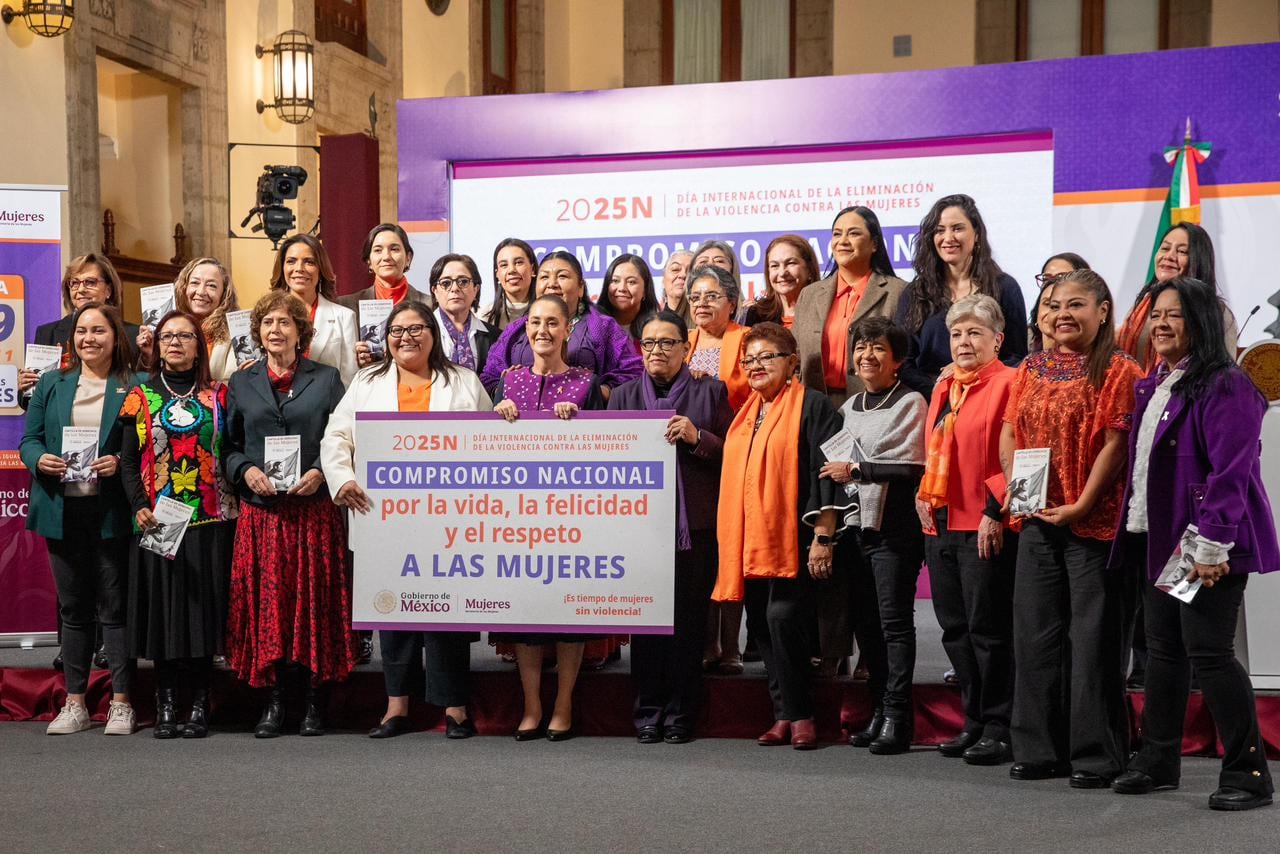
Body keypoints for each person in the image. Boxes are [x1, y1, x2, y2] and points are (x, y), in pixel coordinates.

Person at [1109, 277, 1276, 811]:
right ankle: (1159, 761)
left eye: (1174, 315)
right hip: (1163, 541)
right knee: (1164, 651)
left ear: (1199, 322)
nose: (1160, 324)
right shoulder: (1157, 382)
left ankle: (1249, 773)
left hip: (1205, 544)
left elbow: (1231, 473)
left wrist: (1212, 544)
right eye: (1156, 314)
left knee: (1209, 651)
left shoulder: (1226, 384)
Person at [321, 300, 491, 739]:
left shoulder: (464, 382)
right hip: (383, 518)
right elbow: (337, 434)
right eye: (397, 330)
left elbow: (492, 443)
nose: (406, 337)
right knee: (393, 614)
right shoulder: (366, 381)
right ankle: (396, 708)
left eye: (416, 329)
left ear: (433, 335)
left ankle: (454, 708)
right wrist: (341, 480)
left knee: (446, 616)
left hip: (449, 521)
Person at [1001, 269, 1143, 787]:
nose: (1064, 314)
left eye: (1077, 304)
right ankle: (1038, 749)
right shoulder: (1032, 366)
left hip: (1094, 525)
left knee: (1093, 643)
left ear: (1103, 311)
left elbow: (1115, 445)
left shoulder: (1120, 368)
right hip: (1038, 519)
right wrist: (1024, 498)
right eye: (1055, 304)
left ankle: (1097, 756)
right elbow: (1011, 431)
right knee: (1034, 639)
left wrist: (1081, 506)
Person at [223, 291, 354, 738]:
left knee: (312, 606)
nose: (274, 330)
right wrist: (246, 470)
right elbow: (228, 448)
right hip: (263, 515)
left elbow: (342, 438)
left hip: (313, 511)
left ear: (302, 331)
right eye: (267, 323)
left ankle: (315, 703)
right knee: (270, 609)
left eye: (284, 322)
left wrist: (321, 472)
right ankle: (274, 704)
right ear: (257, 332)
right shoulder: (241, 383)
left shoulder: (328, 378)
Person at [713, 323, 848, 750]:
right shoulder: (745, 416)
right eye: (748, 359)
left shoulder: (816, 406)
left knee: (783, 619)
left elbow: (830, 475)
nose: (755, 366)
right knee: (762, 625)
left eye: (765, 357)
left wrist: (823, 535)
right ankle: (783, 715)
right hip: (748, 540)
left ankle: (802, 713)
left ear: (791, 362)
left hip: (794, 539)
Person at [609, 310, 734, 744]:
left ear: (687, 348)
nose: (657, 351)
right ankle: (647, 712)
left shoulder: (711, 392)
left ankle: (681, 714)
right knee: (646, 627)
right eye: (649, 343)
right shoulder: (622, 396)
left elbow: (733, 456)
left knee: (687, 626)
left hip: (694, 530)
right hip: (641, 531)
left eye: (667, 343)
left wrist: (698, 437)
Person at [21, 304, 145, 735]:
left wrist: (118, 461)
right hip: (61, 508)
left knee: (114, 606)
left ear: (116, 337)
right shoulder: (52, 383)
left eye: (98, 330)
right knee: (74, 607)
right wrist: (40, 461)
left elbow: (147, 449)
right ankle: (74, 701)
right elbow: (28, 440)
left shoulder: (135, 386)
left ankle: (122, 703)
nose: (88, 338)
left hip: (111, 509)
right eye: (81, 331)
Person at [118, 310, 239, 738]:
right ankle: (166, 702)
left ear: (198, 345)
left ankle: (200, 704)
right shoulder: (139, 395)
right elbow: (127, 462)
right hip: (157, 522)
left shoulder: (220, 395)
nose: (175, 342)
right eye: (168, 336)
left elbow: (234, 450)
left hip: (210, 520)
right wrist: (137, 505)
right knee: (164, 613)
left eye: (185, 336)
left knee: (202, 613)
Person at [491, 295, 606, 740]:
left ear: (567, 330)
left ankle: (563, 704)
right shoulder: (508, 381)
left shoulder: (586, 382)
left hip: (572, 517)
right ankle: (532, 705)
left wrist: (580, 425)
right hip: (517, 519)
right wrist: (495, 417)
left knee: (568, 614)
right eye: (535, 322)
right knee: (527, 615)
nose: (542, 330)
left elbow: (607, 450)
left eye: (552, 323)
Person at [915, 294, 1018, 765]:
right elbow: (935, 450)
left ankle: (1000, 724)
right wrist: (923, 492)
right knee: (954, 629)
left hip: (983, 521)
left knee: (988, 630)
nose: (964, 341)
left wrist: (995, 511)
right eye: (957, 333)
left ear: (997, 338)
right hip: (940, 521)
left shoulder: (1010, 383)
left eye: (975, 332)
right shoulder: (944, 387)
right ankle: (973, 720)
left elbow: (1016, 457)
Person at [820, 317, 927, 754]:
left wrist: (858, 470)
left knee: (895, 625)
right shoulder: (850, 407)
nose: (867, 355)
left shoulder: (911, 402)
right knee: (868, 627)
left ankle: (900, 716)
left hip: (895, 531)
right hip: (856, 529)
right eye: (861, 346)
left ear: (897, 359)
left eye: (878, 347)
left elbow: (914, 467)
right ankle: (880, 709)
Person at [896, 194, 1027, 397]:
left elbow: (1016, 356)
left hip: (987, 396)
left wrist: (968, 371)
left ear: (976, 234)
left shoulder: (1004, 287)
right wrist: (942, 390)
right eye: (940, 230)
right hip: (930, 399)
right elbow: (903, 361)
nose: (948, 238)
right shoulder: (915, 293)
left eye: (957, 228)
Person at [479, 250, 641, 398]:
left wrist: (600, 392)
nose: (552, 283)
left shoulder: (603, 327)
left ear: (580, 288)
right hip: (522, 425)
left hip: (585, 424)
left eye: (562, 276)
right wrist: (504, 387)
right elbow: (488, 378)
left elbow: (633, 373)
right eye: (544, 277)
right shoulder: (517, 330)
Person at [793, 206, 908, 405]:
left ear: (874, 244)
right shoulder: (809, 294)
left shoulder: (898, 292)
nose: (843, 241)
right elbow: (795, 358)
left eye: (853, 233)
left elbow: (905, 358)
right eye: (837, 234)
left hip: (876, 405)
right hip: (815, 405)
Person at [1117, 222, 1238, 372]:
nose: (1169, 256)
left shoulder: (1217, 313)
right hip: (1136, 393)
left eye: (1182, 251)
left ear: (1198, 260)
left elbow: (1222, 372)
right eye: (1165, 248)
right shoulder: (1141, 306)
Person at [23, 253, 144, 401]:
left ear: (108, 290)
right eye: (74, 282)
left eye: (90, 282)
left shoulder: (132, 335)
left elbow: (146, 391)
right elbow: (32, 402)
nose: (81, 289)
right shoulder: (48, 333)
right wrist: (25, 388)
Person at [268, 233, 358, 385]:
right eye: (291, 261)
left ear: (320, 269)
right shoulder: (264, 316)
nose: (299, 269)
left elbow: (349, 379)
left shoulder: (344, 317)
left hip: (327, 406)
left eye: (309, 262)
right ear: (282, 268)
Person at [342, 223, 432, 371]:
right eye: (378, 250)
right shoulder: (347, 306)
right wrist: (353, 359)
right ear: (369, 261)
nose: (386, 257)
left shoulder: (429, 305)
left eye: (394, 249)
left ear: (408, 258)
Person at [685, 265, 751, 412]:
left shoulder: (748, 339)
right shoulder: (682, 341)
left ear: (732, 304)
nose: (701, 303)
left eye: (711, 296)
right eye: (695, 298)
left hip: (736, 424)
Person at [172, 257, 248, 382]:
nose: (201, 292)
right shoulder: (168, 328)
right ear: (183, 288)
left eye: (211, 286)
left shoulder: (237, 333)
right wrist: (148, 354)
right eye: (195, 283)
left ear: (224, 294)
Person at [430, 253, 498, 370]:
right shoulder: (422, 332)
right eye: (446, 283)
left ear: (476, 289)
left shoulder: (495, 337)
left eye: (463, 281)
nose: (455, 288)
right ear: (435, 291)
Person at [739, 235, 821, 328]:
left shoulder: (824, 312)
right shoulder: (755, 316)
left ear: (809, 269)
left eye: (791, 263)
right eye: (775, 266)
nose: (782, 273)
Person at [1030, 253, 1090, 352]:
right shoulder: (1027, 361)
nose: (1054, 284)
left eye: (1062, 277)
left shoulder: (1115, 362)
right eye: (1046, 278)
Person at [596, 253, 660, 342]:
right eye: (615, 281)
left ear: (645, 289)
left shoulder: (658, 330)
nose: (622, 288)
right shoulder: (592, 327)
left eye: (631, 282)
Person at [483, 237, 537, 331]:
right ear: (497, 274)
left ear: (532, 269)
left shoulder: (549, 311)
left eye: (519, 262)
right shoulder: (485, 318)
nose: (511, 270)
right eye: (504, 265)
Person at [660, 250, 694, 325]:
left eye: (690, 271)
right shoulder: (652, 324)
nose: (683, 275)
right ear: (663, 280)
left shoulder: (705, 324)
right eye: (675, 269)